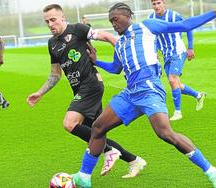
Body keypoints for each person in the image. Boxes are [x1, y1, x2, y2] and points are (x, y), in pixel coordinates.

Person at [72, 1, 216, 188]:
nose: (113, 24)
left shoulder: (146, 26)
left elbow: (184, 25)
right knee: (98, 127)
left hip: (149, 89)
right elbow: (116, 68)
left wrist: (215, 12)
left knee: (165, 133)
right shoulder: (120, 44)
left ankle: (211, 171)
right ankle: (84, 176)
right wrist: (96, 61)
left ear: (127, 16)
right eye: (111, 21)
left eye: (116, 19)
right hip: (130, 93)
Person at [26, 4, 146, 178]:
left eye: (53, 20)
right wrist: (40, 92)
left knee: (69, 124)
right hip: (79, 90)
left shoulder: (77, 30)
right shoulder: (52, 44)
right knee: (97, 133)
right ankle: (134, 160)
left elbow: (106, 36)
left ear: (62, 17)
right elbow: (55, 74)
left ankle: (110, 151)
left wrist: (126, 52)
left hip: (91, 85)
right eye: (47, 22)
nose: (50, 24)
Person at [148, 0, 206, 121]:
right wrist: (153, 51)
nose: (156, 6)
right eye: (154, 4)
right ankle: (199, 95)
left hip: (178, 51)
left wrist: (190, 47)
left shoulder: (174, 16)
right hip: (166, 54)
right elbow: (151, 36)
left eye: (159, 3)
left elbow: (188, 28)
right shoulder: (151, 18)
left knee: (172, 79)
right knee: (176, 84)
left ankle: (178, 112)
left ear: (164, 3)